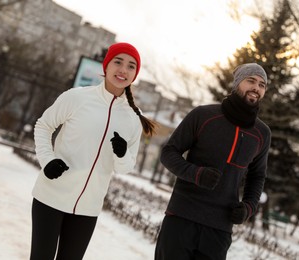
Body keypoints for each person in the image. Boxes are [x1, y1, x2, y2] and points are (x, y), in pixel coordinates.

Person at [30, 42, 156, 260]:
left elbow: (125, 168)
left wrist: (122, 153)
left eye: (131, 66)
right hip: (50, 197)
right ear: (106, 66)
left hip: (88, 209)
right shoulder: (77, 97)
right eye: (118, 62)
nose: (123, 70)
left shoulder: (133, 119)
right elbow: (43, 126)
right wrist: (47, 160)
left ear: (135, 74)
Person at [154, 63, 271, 260]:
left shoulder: (262, 134)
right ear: (236, 84)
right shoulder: (204, 115)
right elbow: (168, 152)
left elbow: (257, 176)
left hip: (220, 228)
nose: (256, 88)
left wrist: (248, 208)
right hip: (182, 217)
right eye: (250, 81)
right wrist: (196, 174)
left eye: (262, 85)